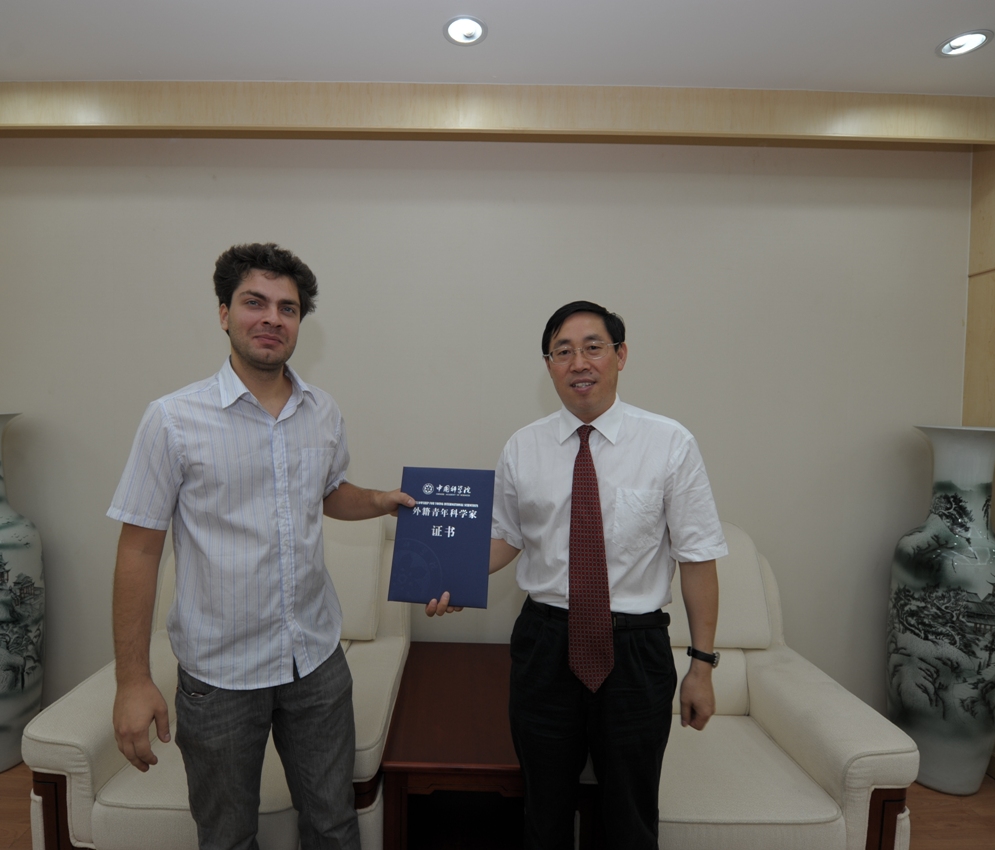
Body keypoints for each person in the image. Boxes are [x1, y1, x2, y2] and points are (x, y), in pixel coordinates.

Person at [108, 242, 414, 850]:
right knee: (227, 837)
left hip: (316, 662)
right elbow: (138, 551)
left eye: (287, 308)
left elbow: (328, 493)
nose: (272, 318)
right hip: (220, 676)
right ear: (224, 313)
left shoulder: (321, 411)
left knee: (333, 826)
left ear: (300, 322)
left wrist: (379, 499)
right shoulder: (172, 419)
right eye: (255, 302)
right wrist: (132, 680)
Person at [428, 300, 727, 850]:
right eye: (562, 351)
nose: (579, 362)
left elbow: (698, 557)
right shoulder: (523, 446)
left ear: (621, 355)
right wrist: (450, 576)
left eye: (593, 347)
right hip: (545, 646)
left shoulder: (669, 443)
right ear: (548, 366)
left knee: (631, 817)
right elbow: (507, 538)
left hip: (635, 651)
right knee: (543, 812)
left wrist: (702, 667)